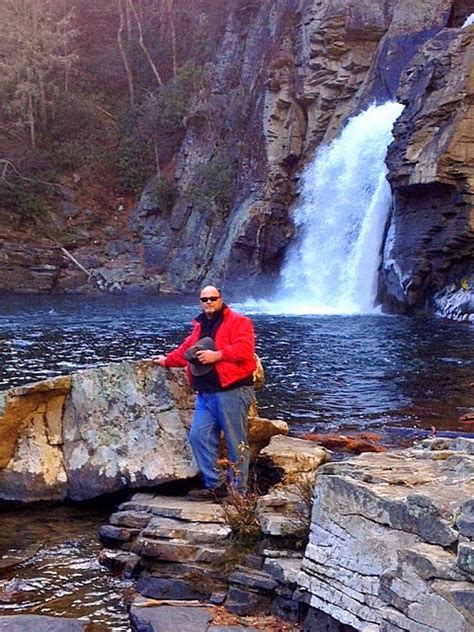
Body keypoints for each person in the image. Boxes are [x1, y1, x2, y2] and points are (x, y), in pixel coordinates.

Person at [153, 285, 256, 499]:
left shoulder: (239, 322)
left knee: (236, 442)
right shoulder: (200, 325)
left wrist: (217, 355)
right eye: (204, 299)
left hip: (233, 391)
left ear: (221, 299)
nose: (208, 302)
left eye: (213, 298)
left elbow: (246, 350)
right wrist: (166, 361)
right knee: (198, 436)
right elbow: (186, 350)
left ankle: (239, 493)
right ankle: (215, 485)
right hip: (206, 394)